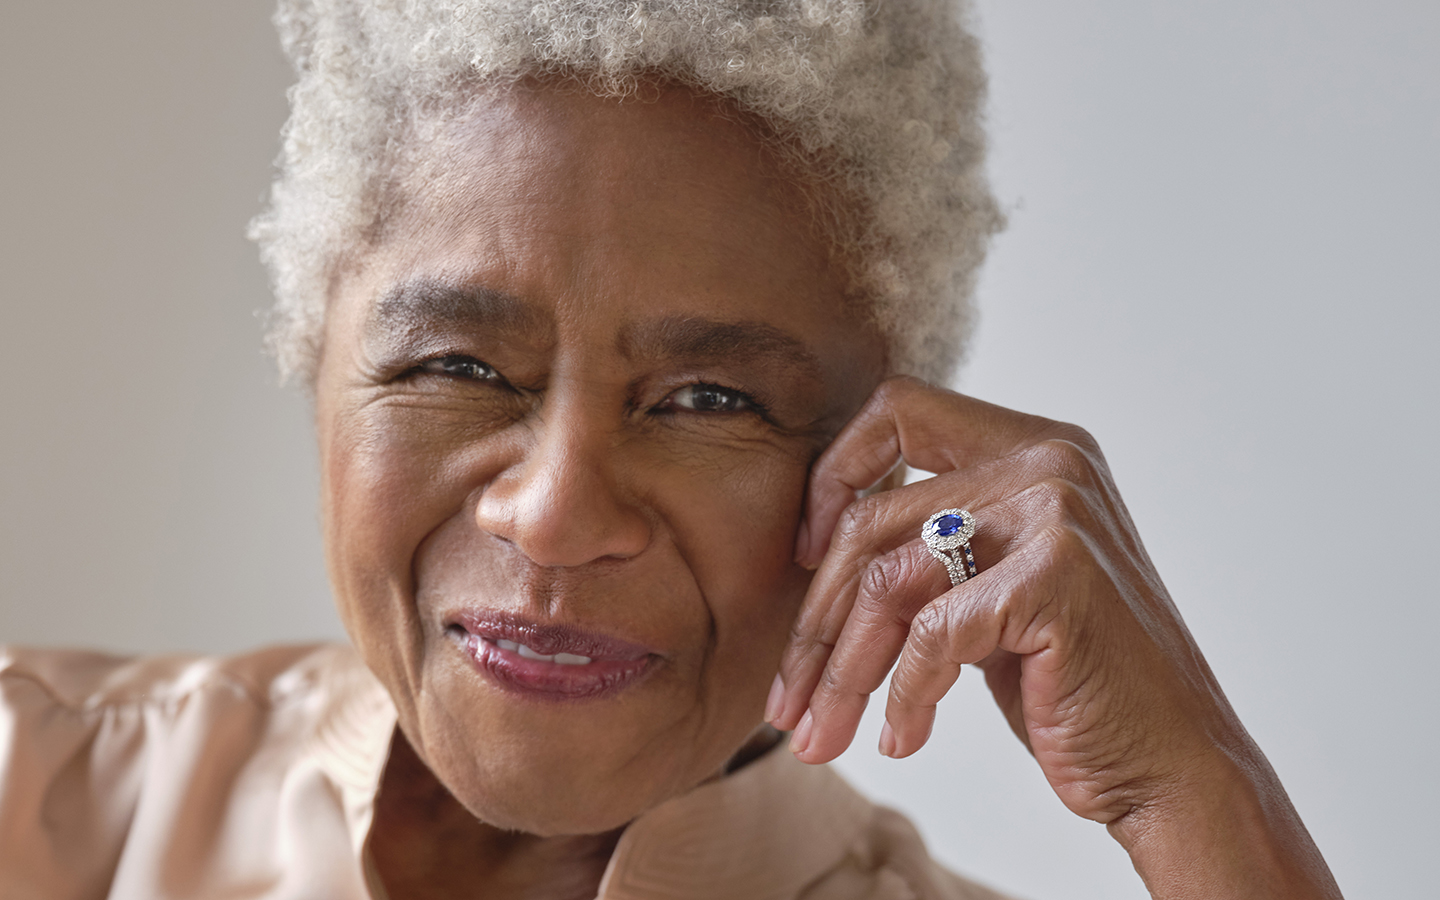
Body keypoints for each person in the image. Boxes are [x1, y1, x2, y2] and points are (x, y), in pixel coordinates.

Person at [0, 1, 1344, 898]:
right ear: (315, 362)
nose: (556, 512)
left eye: (711, 399)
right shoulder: (40, 793)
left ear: (884, 463)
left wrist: (1200, 796)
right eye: (460, 368)